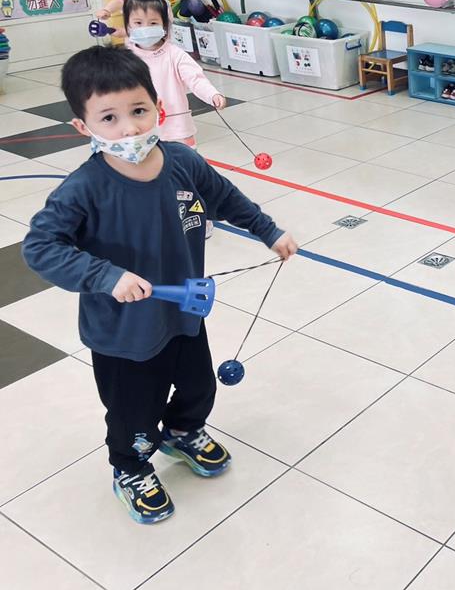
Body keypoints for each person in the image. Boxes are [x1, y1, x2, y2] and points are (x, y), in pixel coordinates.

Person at [22, 46, 298, 524]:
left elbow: (225, 197)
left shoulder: (181, 161)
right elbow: (40, 247)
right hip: (123, 334)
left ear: (159, 107)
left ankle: (182, 431)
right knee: (133, 414)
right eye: (109, 118)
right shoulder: (84, 188)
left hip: (184, 313)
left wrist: (267, 230)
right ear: (83, 127)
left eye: (138, 111)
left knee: (199, 387)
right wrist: (105, 276)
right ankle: (130, 468)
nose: (129, 129)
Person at [123, 0, 226, 237]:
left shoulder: (175, 54)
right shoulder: (125, 58)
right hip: (139, 131)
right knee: (144, 176)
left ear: (165, 25)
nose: (145, 28)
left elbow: (195, 78)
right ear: (127, 25)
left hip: (177, 130)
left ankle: (198, 218)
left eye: (153, 23)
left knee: (185, 177)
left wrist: (212, 95)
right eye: (138, 23)